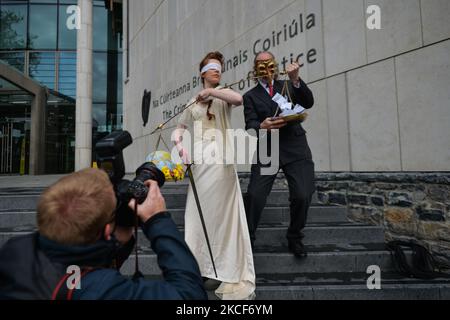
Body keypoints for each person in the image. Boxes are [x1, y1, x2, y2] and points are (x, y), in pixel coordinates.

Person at [0, 168, 207, 300]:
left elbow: (73, 266)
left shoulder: (15, 250)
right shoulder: (101, 289)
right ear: (108, 229)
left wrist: (120, 239)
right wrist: (158, 220)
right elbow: (190, 297)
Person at [173, 51, 256, 300]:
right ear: (202, 73)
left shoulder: (223, 95)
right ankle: (199, 268)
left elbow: (239, 99)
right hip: (199, 162)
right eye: (212, 68)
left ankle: (223, 267)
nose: (217, 71)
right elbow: (179, 129)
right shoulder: (191, 101)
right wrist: (181, 148)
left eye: (219, 68)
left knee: (222, 215)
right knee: (197, 214)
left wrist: (211, 92)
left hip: (220, 162)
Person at [243, 51, 315, 258]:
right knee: (255, 195)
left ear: (275, 64)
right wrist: (262, 125)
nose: (265, 67)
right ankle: (248, 238)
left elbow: (308, 102)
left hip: (295, 146)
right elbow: (250, 125)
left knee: (303, 194)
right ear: (255, 68)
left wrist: (296, 79)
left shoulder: (289, 85)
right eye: (260, 63)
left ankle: (295, 236)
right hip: (268, 149)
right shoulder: (250, 96)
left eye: (269, 62)